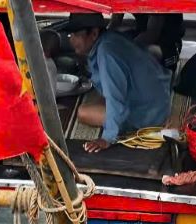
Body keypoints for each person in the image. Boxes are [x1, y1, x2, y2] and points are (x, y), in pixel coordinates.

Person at [64, 13, 172, 153]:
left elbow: (115, 97)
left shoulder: (106, 52)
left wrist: (107, 138)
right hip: (159, 100)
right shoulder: (110, 38)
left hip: (150, 114)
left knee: (83, 112)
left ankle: (132, 125)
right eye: (70, 35)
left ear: (94, 33)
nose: (71, 40)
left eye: (76, 35)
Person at [108, 13, 185, 73]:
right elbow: (115, 20)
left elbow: (152, 33)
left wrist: (125, 52)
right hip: (141, 33)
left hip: (167, 44)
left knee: (127, 55)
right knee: (113, 43)